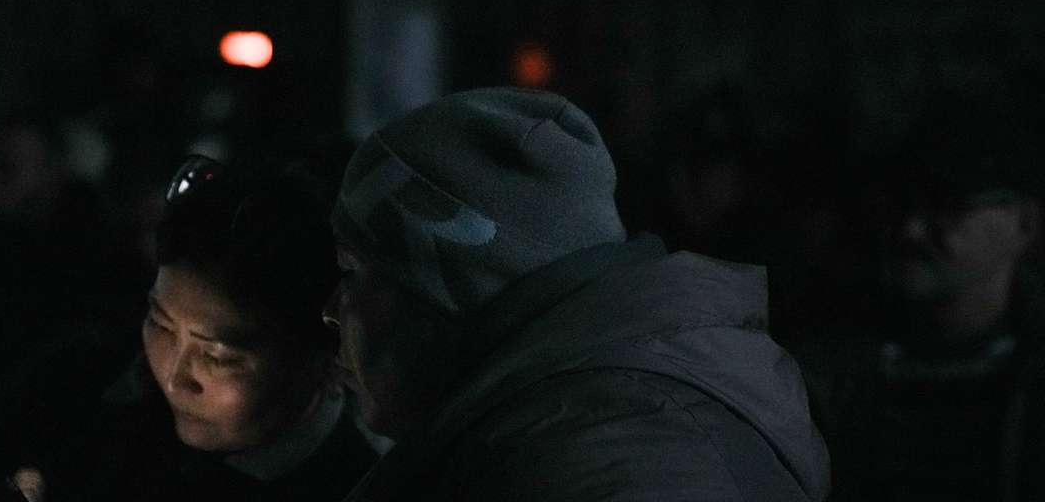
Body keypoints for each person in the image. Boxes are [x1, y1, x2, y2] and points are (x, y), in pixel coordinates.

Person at [321, 87, 830, 501]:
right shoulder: (575, 430)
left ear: (444, 284)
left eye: (353, 270)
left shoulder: (616, 455)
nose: (329, 310)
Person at [39, 154, 379, 501]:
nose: (174, 378)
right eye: (161, 324)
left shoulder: (357, 488)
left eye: (218, 356)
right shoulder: (99, 390)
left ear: (325, 360)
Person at [797, 93, 1045, 501]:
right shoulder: (826, 369)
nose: (911, 229)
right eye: (900, 204)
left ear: (1026, 223)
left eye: (947, 207)